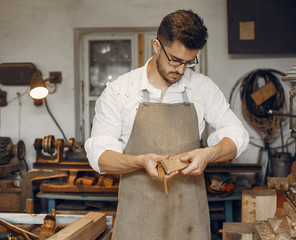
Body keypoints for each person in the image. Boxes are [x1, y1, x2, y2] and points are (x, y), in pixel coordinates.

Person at [85, 9, 249, 240]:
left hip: (190, 222)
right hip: (136, 221)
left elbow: (237, 136)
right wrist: (140, 161)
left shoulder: (202, 88)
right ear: (156, 45)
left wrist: (208, 154)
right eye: (174, 60)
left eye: (189, 62)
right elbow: (100, 157)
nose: (180, 70)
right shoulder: (120, 91)